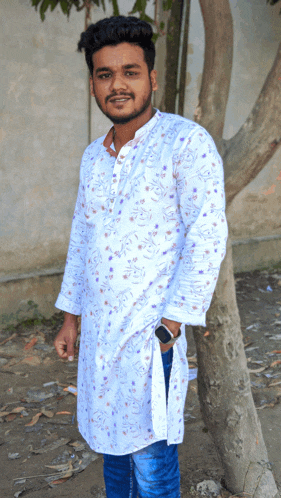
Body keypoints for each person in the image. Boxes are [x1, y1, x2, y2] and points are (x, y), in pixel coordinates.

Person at [54, 15, 228, 498]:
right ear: (93, 82)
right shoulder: (94, 156)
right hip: (101, 341)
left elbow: (207, 237)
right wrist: (71, 317)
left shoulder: (185, 144)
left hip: (153, 340)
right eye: (105, 74)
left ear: (151, 78)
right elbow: (82, 238)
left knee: (152, 467)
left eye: (130, 72)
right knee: (112, 455)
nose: (118, 85)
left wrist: (170, 326)